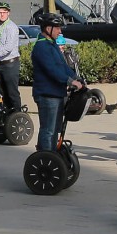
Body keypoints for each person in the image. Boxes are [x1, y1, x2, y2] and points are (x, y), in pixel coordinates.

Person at [31, 13, 83, 151]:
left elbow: (63, 66)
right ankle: (45, 158)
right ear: (48, 28)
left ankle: (51, 156)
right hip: (47, 95)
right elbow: (52, 70)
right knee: (48, 130)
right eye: (58, 28)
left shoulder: (51, 44)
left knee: (54, 131)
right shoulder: (41, 47)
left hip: (56, 94)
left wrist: (76, 77)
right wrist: (69, 81)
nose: (60, 31)